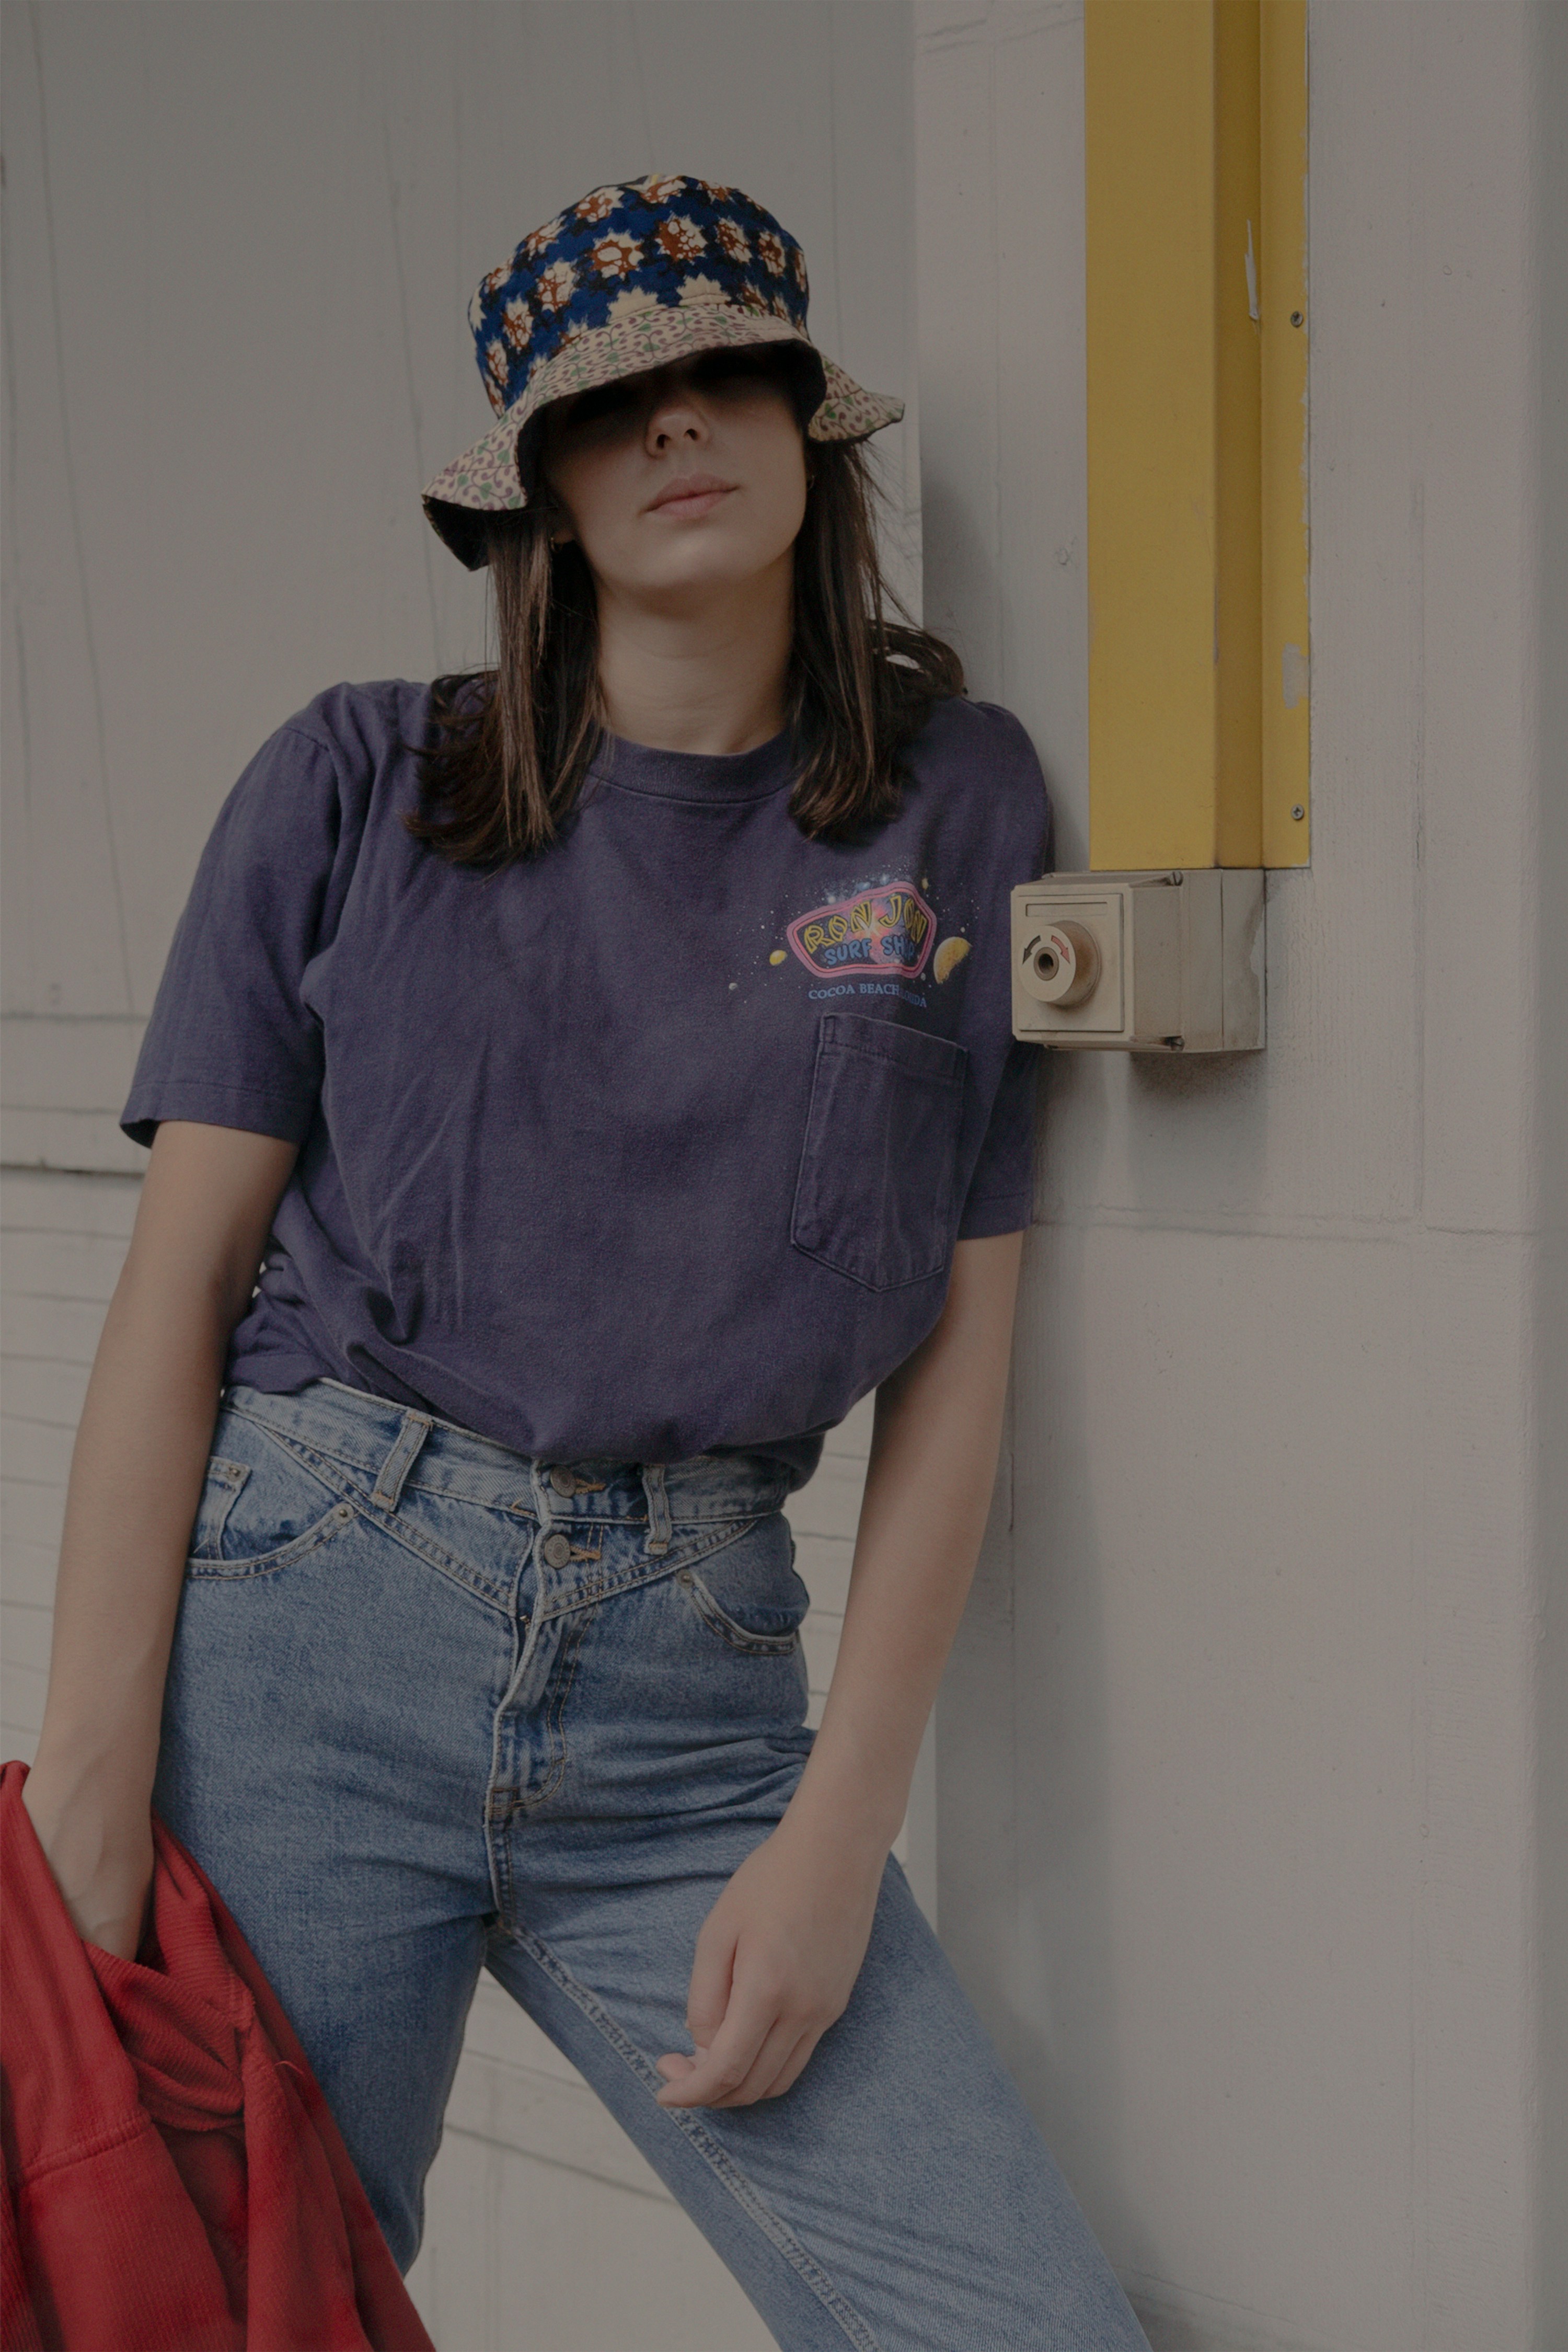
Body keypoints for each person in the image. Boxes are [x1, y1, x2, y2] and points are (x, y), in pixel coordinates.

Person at [20, 176, 1147, 2349]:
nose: (677, 428)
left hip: (694, 1699)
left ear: (813, 431)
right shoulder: (361, 782)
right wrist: (86, 1778)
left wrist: (840, 1833)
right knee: (239, 2314)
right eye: (611, 404)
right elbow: (173, 1302)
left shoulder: (962, 805)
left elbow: (964, 1353)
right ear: (539, 485)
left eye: (729, 374)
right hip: (307, 1651)